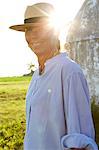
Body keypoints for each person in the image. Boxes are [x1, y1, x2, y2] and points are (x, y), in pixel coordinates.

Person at [9, 2, 98, 150]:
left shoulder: (69, 71)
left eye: (41, 28)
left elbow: (80, 140)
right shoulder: (37, 75)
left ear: (54, 31)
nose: (34, 35)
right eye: (29, 29)